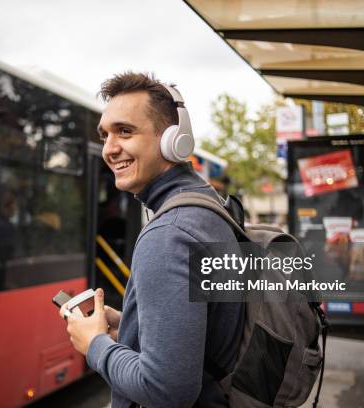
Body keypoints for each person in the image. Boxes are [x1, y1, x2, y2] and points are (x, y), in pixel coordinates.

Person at [59, 72, 242, 407]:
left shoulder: (169, 233)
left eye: (125, 131)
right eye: (105, 136)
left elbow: (166, 389)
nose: (110, 149)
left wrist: (96, 343)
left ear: (173, 140)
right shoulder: (208, 205)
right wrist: (132, 323)